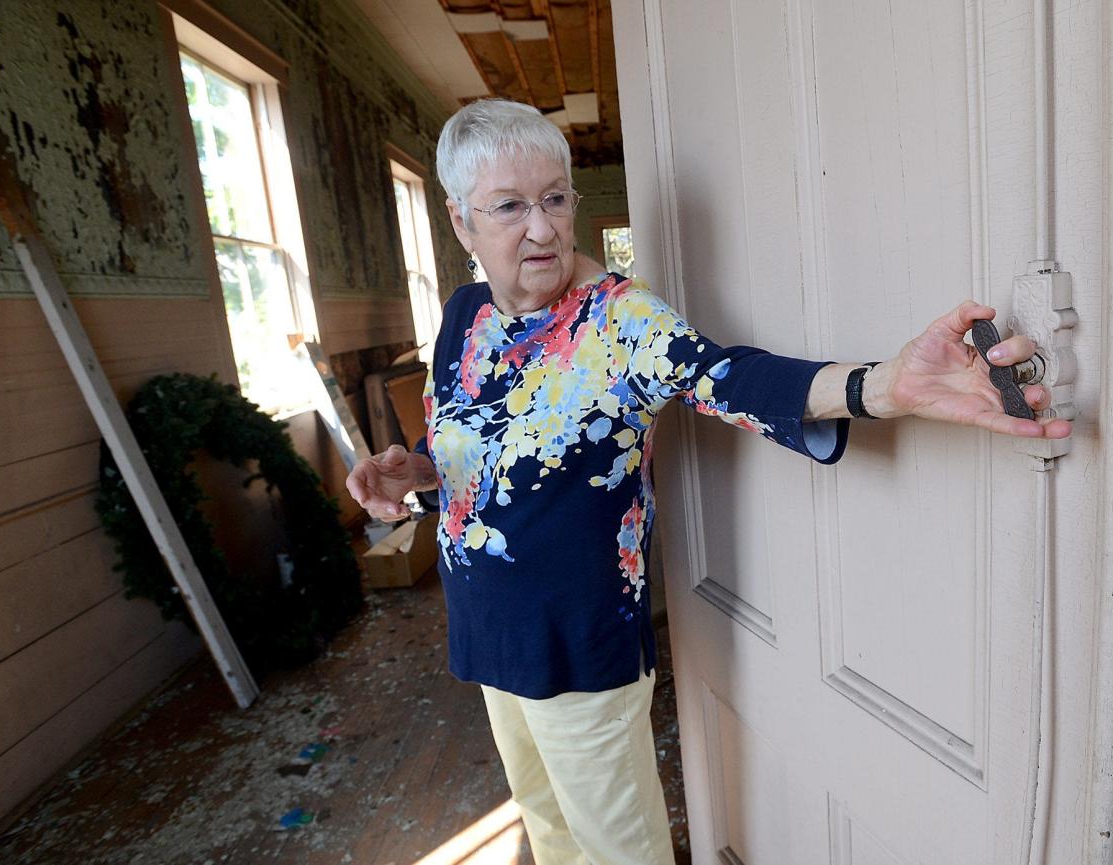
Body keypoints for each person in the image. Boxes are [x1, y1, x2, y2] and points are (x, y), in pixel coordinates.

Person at [346, 99, 1072, 865]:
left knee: (618, 850)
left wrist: (884, 385)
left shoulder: (620, 322)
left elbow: (728, 377)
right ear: (461, 222)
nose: (544, 227)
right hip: (488, 626)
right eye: (511, 206)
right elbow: (469, 432)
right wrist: (414, 466)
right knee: (545, 823)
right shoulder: (464, 312)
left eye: (556, 198)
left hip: (580, 644)